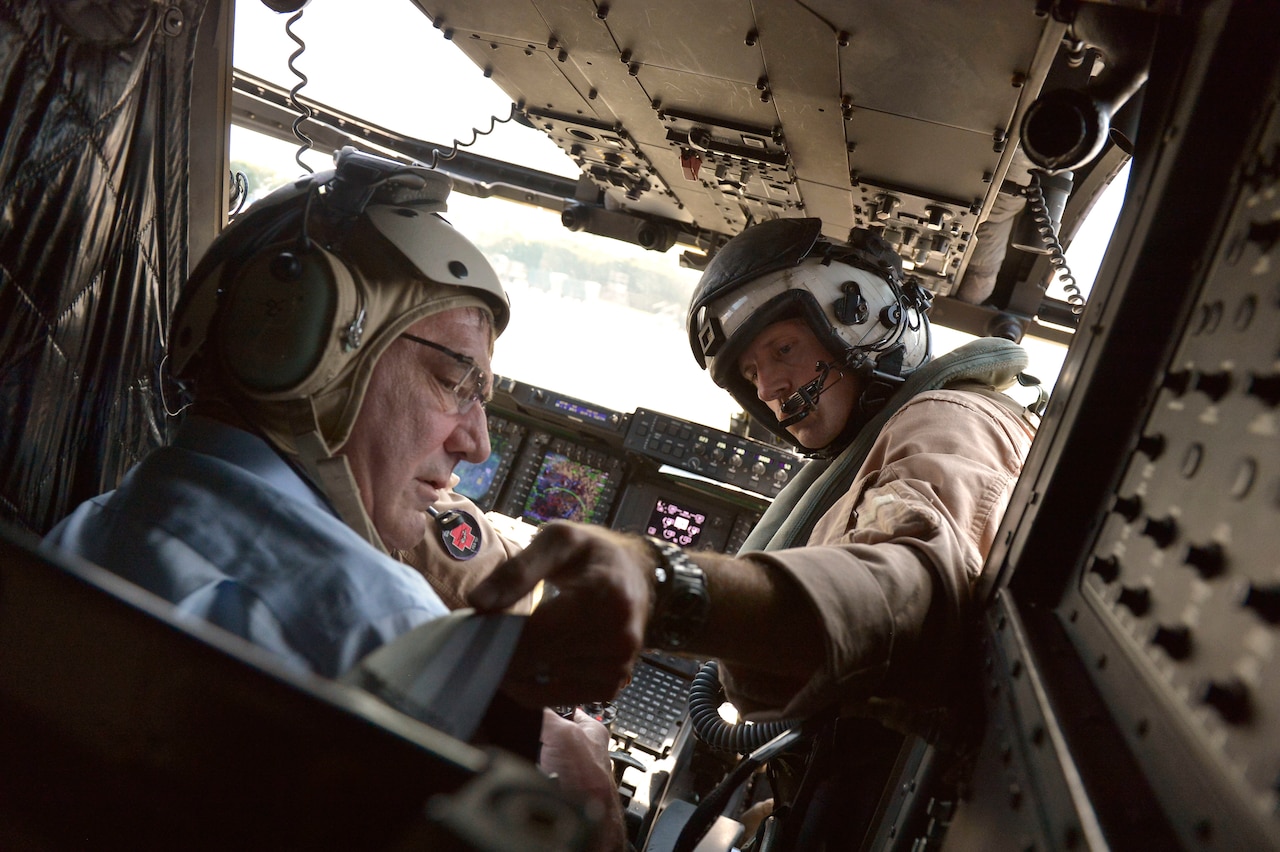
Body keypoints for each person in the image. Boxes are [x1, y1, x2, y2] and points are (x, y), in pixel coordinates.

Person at [42, 148, 634, 851]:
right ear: (308, 350)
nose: (477, 443)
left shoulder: (90, 528)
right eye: (455, 381)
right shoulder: (382, 630)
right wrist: (574, 800)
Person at [468, 217, 1038, 845]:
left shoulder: (952, 419)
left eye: (783, 350)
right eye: (751, 370)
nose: (767, 387)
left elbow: (912, 577)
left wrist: (672, 587)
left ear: (865, 319)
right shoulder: (875, 449)